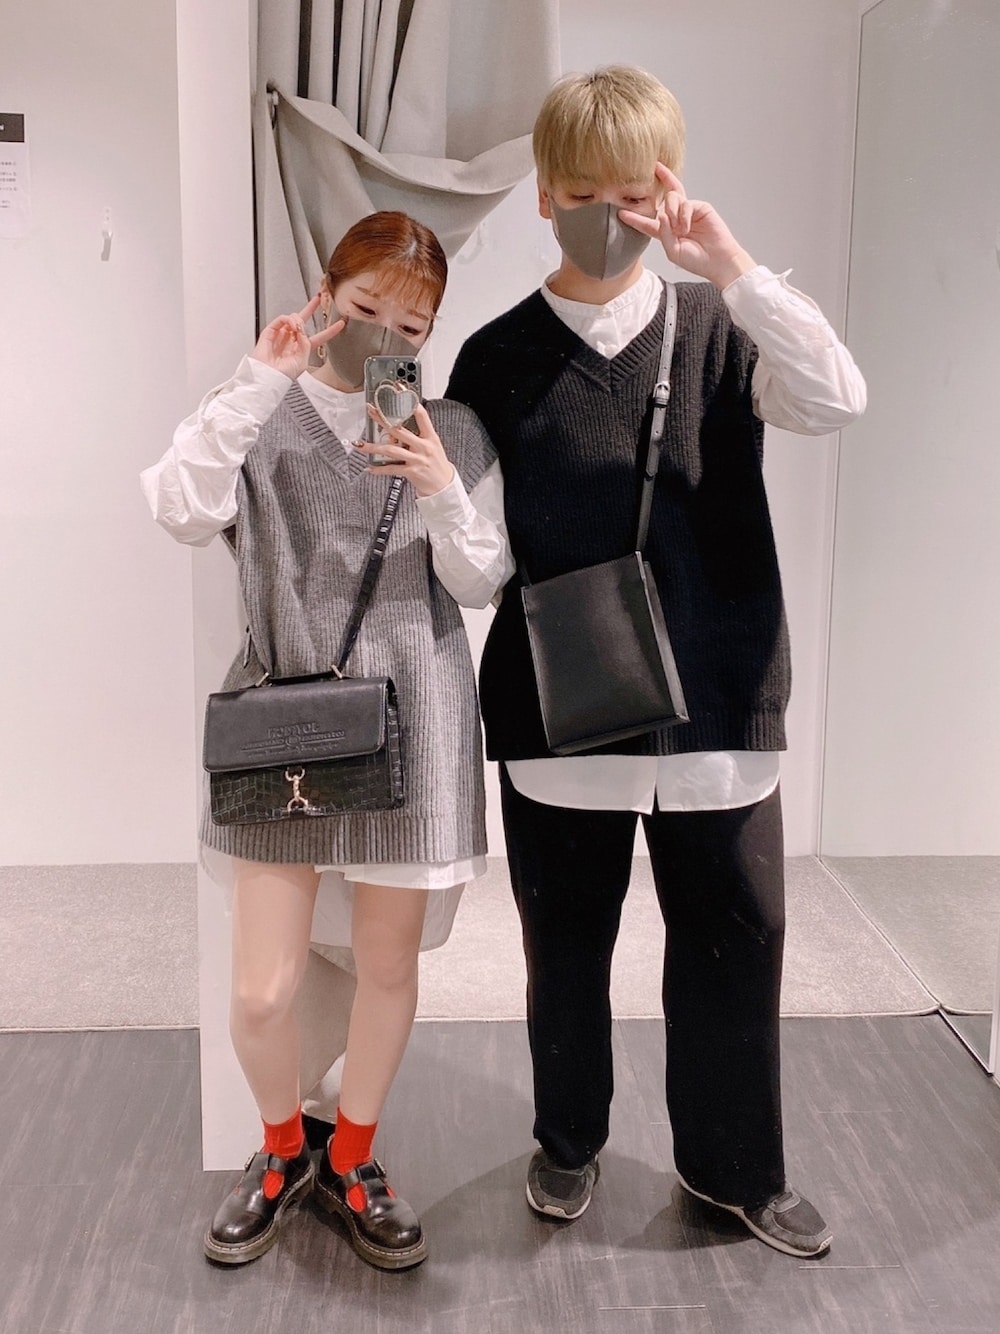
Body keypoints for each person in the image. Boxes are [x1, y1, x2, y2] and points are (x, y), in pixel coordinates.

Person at [445, 66, 866, 1257]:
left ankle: (736, 1167)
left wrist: (731, 265)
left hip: (719, 702)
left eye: (631, 193)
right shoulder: (493, 358)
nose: (607, 216)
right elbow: (479, 564)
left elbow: (836, 398)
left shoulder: (724, 326)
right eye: (581, 192)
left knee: (737, 938)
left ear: (666, 190)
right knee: (565, 950)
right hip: (561, 710)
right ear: (542, 193)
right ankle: (568, 1136)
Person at [141, 210, 509, 1270]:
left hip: (415, 721)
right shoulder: (260, 409)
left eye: (412, 326)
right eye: (364, 309)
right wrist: (261, 376)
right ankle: (279, 1146)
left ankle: (352, 1154)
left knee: (387, 965)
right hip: (286, 725)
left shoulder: (453, 428)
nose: (384, 337)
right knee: (264, 989)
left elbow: (482, 579)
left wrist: (439, 486)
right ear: (325, 295)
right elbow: (178, 506)